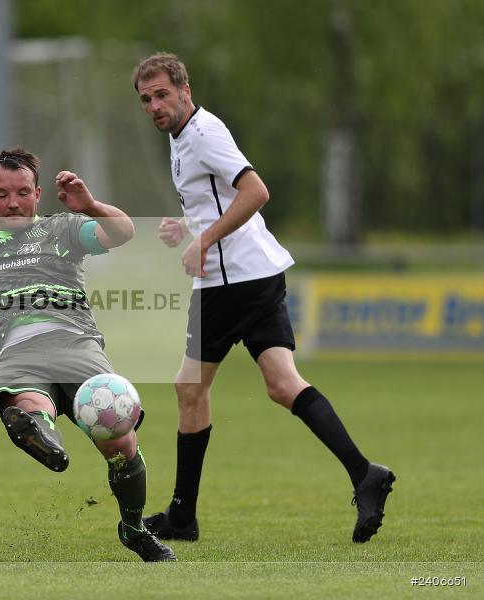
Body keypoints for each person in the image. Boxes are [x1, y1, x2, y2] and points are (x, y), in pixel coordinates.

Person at [132, 53, 395, 543]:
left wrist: (204, 240)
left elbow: (255, 192)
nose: (154, 105)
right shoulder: (184, 136)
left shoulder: (204, 133)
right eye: (146, 99)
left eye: (162, 94)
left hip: (230, 283)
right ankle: (365, 474)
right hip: (257, 273)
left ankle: (182, 516)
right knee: (281, 383)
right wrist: (189, 228)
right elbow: (220, 201)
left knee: (190, 389)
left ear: (185, 91)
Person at [0, 147, 176, 562]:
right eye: (1, 194)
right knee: (30, 405)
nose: (13, 202)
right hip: (18, 352)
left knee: (122, 444)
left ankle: (134, 528)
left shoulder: (64, 229)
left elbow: (123, 232)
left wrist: (89, 205)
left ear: (38, 193)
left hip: (77, 344)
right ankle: (39, 434)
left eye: (22, 192)